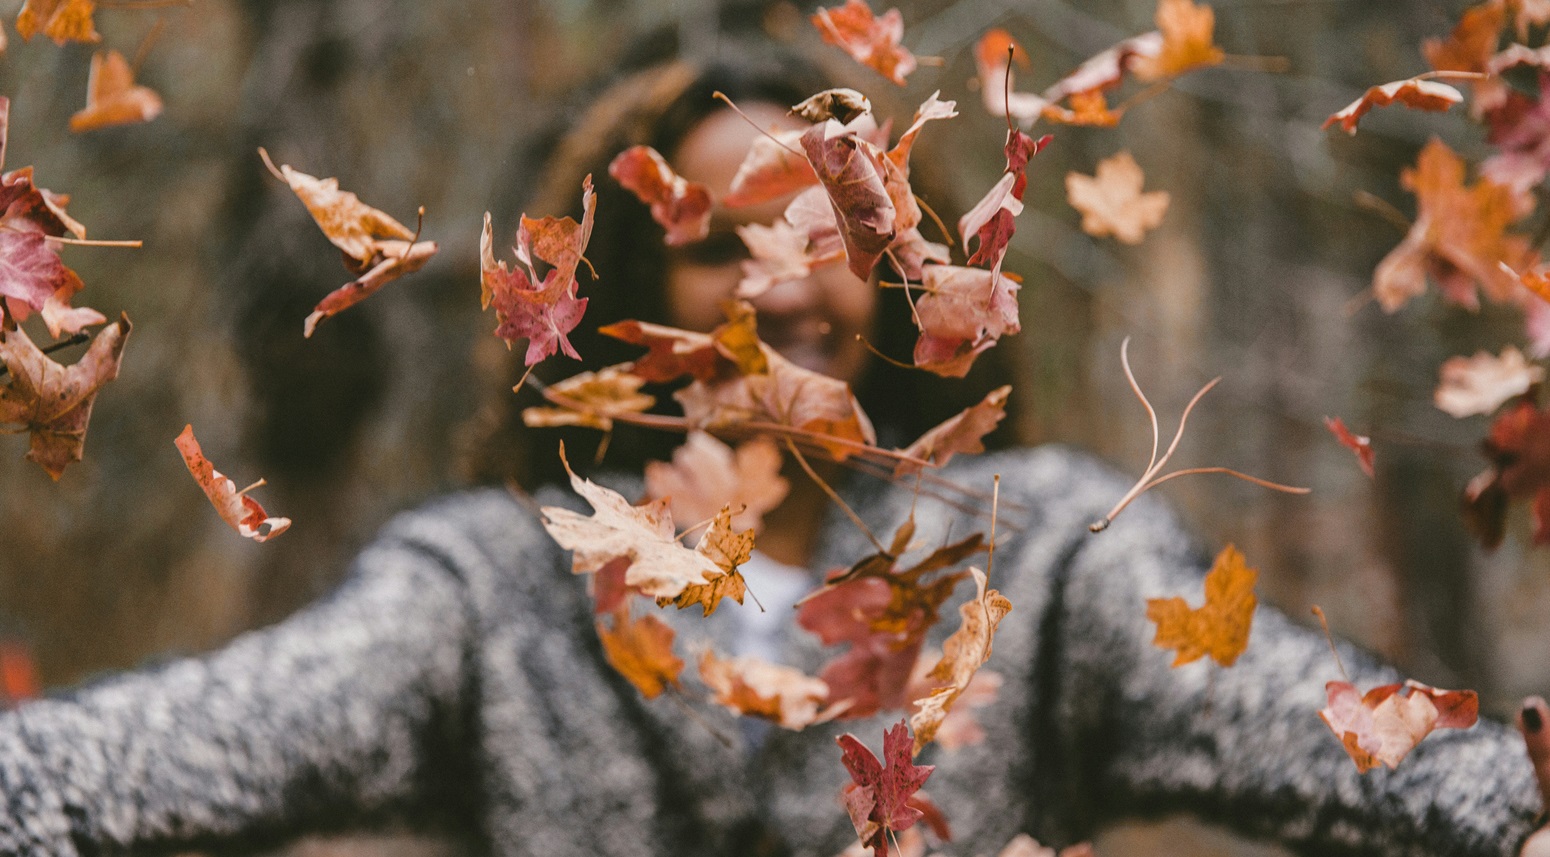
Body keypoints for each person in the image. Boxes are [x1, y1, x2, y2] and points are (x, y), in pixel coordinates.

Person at [0, 31, 1546, 857]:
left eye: (822, 227)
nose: (776, 279)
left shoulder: (1038, 557)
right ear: (619, 298)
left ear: (885, 272)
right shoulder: (492, 591)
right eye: (710, 244)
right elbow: (155, 753)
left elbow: (1345, 745)